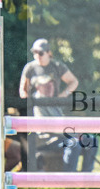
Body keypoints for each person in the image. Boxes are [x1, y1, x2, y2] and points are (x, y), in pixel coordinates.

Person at [19, 39, 94, 172]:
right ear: (37, 86)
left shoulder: (57, 67)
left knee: (91, 141)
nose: (37, 56)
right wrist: (30, 102)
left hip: (60, 134)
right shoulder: (38, 99)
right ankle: (68, 180)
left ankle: (86, 178)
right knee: (74, 143)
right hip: (47, 138)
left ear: (49, 53)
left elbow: (73, 82)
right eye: (34, 53)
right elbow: (23, 91)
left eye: (40, 53)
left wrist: (62, 96)